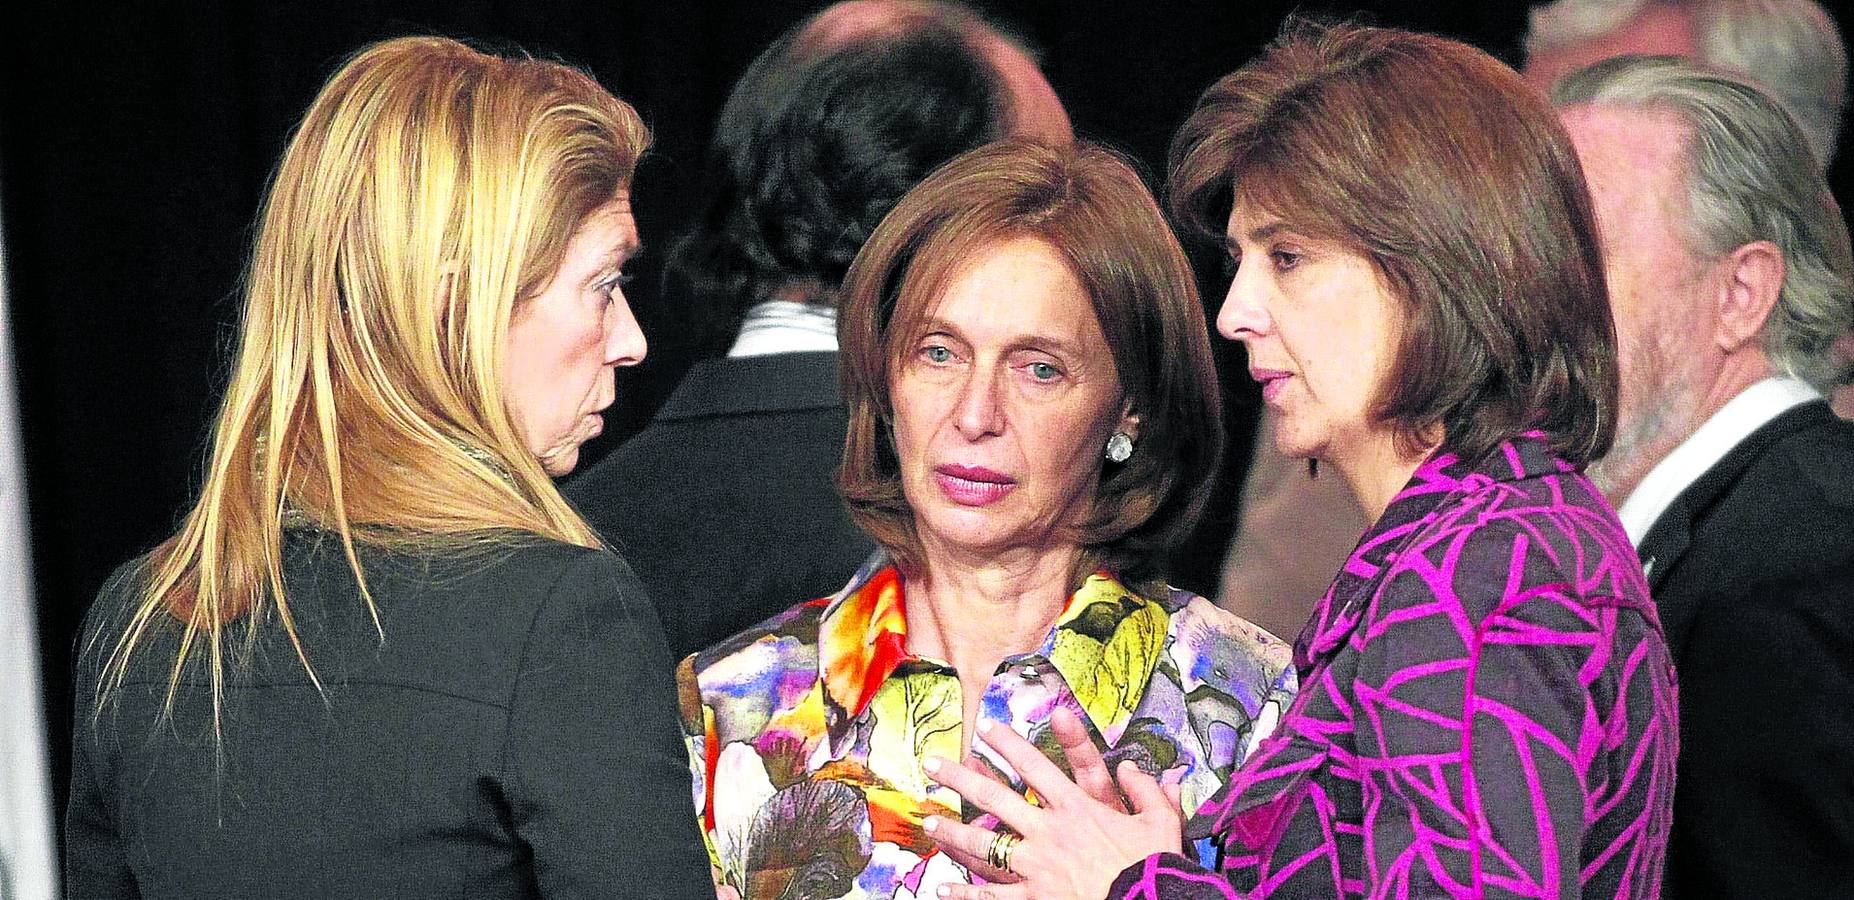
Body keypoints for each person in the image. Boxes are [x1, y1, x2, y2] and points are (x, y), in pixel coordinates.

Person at [927, 24, 1679, 899]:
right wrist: (1184, 865)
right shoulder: (1483, 538)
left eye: (1288, 257)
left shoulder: (1478, 571)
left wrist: (1131, 889)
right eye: (1242, 261)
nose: (1236, 312)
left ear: (1441, 267)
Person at [64, 36, 712, 899]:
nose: (631, 341)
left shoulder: (139, 625)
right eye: (602, 284)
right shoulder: (559, 620)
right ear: (453, 304)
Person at [678, 139, 1295, 900]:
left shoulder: (1250, 701)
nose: (975, 416)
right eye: (939, 353)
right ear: (885, 375)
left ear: (1127, 408)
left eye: (1039, 368)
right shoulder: (729, 703)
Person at [1216, 0, 1852, 646]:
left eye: (1575, 242)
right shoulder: (1360, 387)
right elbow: (1263, 656)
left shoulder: (1808, 551)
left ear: (1741, 288)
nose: (1513, 277)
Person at [565, 0, 1073, 661]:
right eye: (1042, 202)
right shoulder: (996, 525)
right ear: (938, 218)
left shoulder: (567, 534)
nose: (1076, 241)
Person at [1553, 55, 1854, 897]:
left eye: (1582, 256)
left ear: (1740, 295)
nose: (1531, 303)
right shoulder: (1745, 538)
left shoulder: (1794, 572)